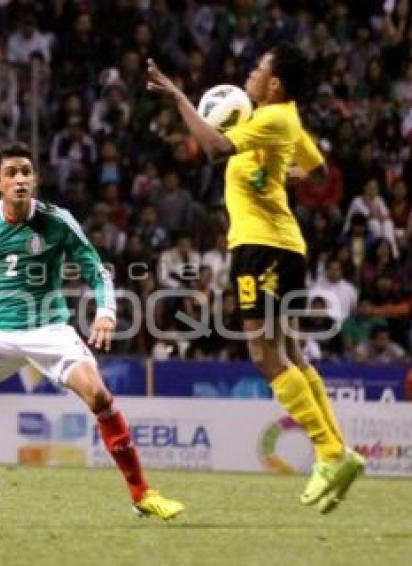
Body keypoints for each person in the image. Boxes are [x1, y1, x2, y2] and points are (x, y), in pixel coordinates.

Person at [146, 43, 364, 514]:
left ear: (276, 84)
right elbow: (319, 169)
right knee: (289, 351)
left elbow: (214, 148)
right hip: (278, 245)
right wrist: (281, 173)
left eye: (259, 68)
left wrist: (179, 95)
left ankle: (328, 452)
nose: (250, 71)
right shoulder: (278, 120)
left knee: (263, 354)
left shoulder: (273, 118)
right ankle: (339, 452)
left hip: (262, 248)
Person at [0, 142, 183, 521]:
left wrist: (105, 312)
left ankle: (142, 494)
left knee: (98, 395)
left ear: (35, 179)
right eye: (12, 173)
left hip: (50, 328)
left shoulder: (57, 220)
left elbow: (96, 269)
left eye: (26, 172)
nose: (20, 179)